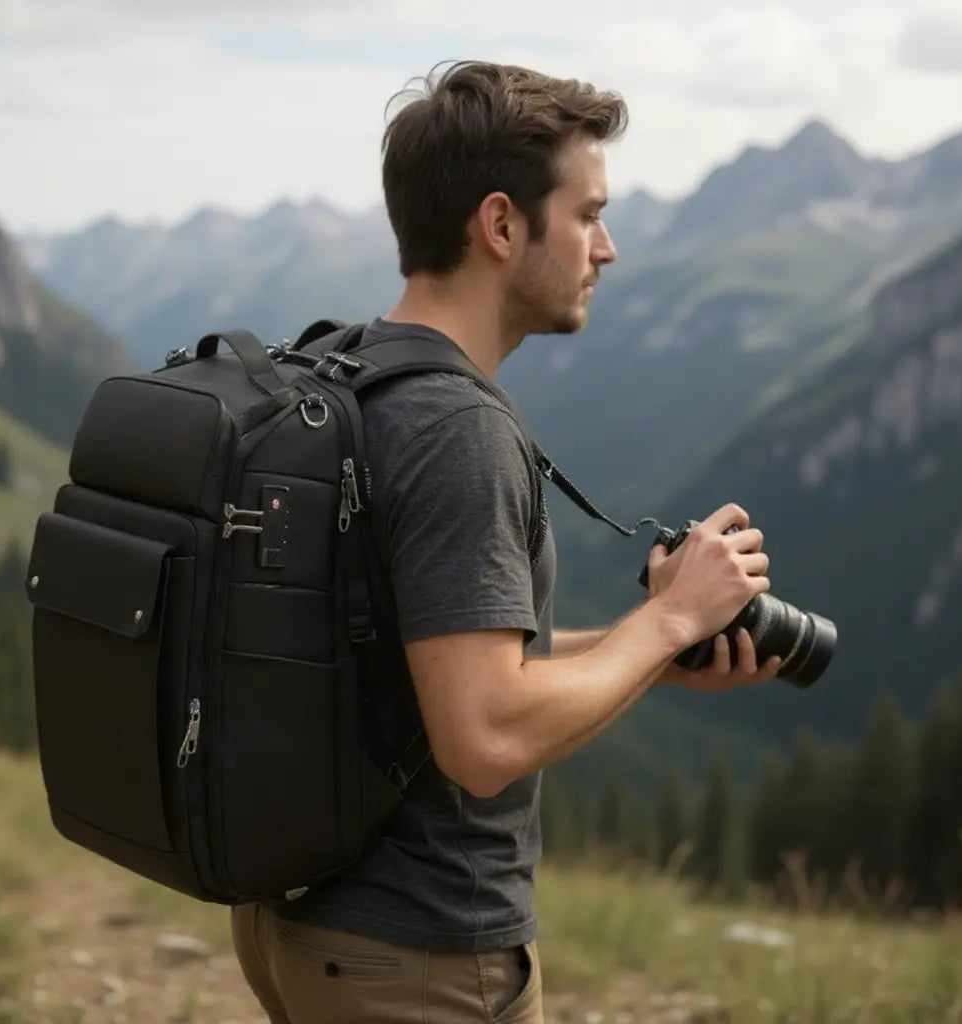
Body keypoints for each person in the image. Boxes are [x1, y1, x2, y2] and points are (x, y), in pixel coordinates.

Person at [230, 60, 781, 1024]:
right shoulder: (457, 430)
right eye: (587, 214)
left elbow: (443, 658)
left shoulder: (342, 366)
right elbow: (485, 737)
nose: (607, 248)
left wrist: (648, 649)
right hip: (420, 955)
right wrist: (670, 621)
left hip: (303, 926)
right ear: (500, 225)